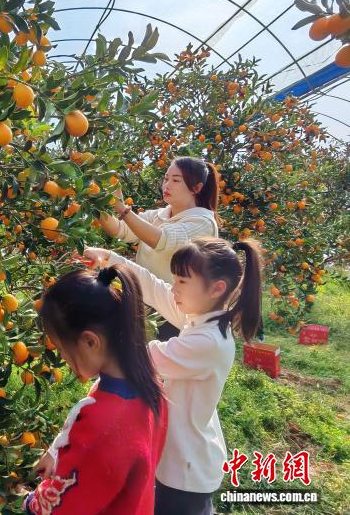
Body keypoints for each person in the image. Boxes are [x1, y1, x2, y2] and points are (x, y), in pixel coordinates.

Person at [82, 237, 262, 515]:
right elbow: (154, 288)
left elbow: (145, 357)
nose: (174, 287)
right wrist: (109, 258)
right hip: (181, 456)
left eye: (182, 281)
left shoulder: (208, 342)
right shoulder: (202, 315)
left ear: (217, 288)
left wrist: (96, 335)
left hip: (186, 470)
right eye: (175, 278)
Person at [22, 265, 168, 515]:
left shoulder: (103, 427)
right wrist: (57, 453)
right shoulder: (149, 385)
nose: (63, 359)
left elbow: (63, 506)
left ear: (90, 342)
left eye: (62, 349)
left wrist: (29, 500)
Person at [99, 156, 220, 340]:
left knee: (160, 356)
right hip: (144, 302)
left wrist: (122, 208)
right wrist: (97, 203)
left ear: (196, 188)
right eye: (166, 178)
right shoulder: (158, 215)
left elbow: (162, 240)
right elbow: (119, 229)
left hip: (174, 311)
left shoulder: (203, 222)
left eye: (176, 180)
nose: (167, 185)